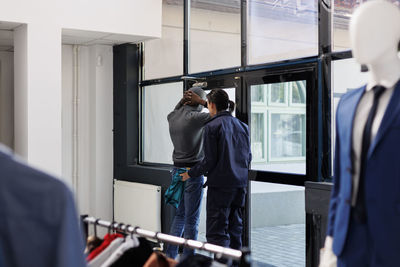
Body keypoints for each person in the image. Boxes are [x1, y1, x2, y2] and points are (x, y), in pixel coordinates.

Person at [320, 1, 400, 266]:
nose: (358, 38)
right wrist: (330, 245)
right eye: (354, 29)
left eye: (369, 29)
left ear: (395, 33)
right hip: (348, 242)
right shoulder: (347, 104)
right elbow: (341, 185)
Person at [180, 89, 251, 255]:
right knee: (235, 230)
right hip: (240, 186)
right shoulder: (243, 126)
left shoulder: (211, 127)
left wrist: (190, 173)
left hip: (220, 187)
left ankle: (221, 264)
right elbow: (248, 157)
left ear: (211, 105)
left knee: (217, 233)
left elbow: (209, 161)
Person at [165, 87, 210, 260]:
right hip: (192, 172)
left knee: (180, 216)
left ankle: (169, 256)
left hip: (177, 170)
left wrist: (185, 100)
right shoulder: (195, 118)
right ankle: (189, 260)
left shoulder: (172, 117)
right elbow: (219, 113)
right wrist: (201, 101)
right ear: (198, 101)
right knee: (192, 220)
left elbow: (176, 109)